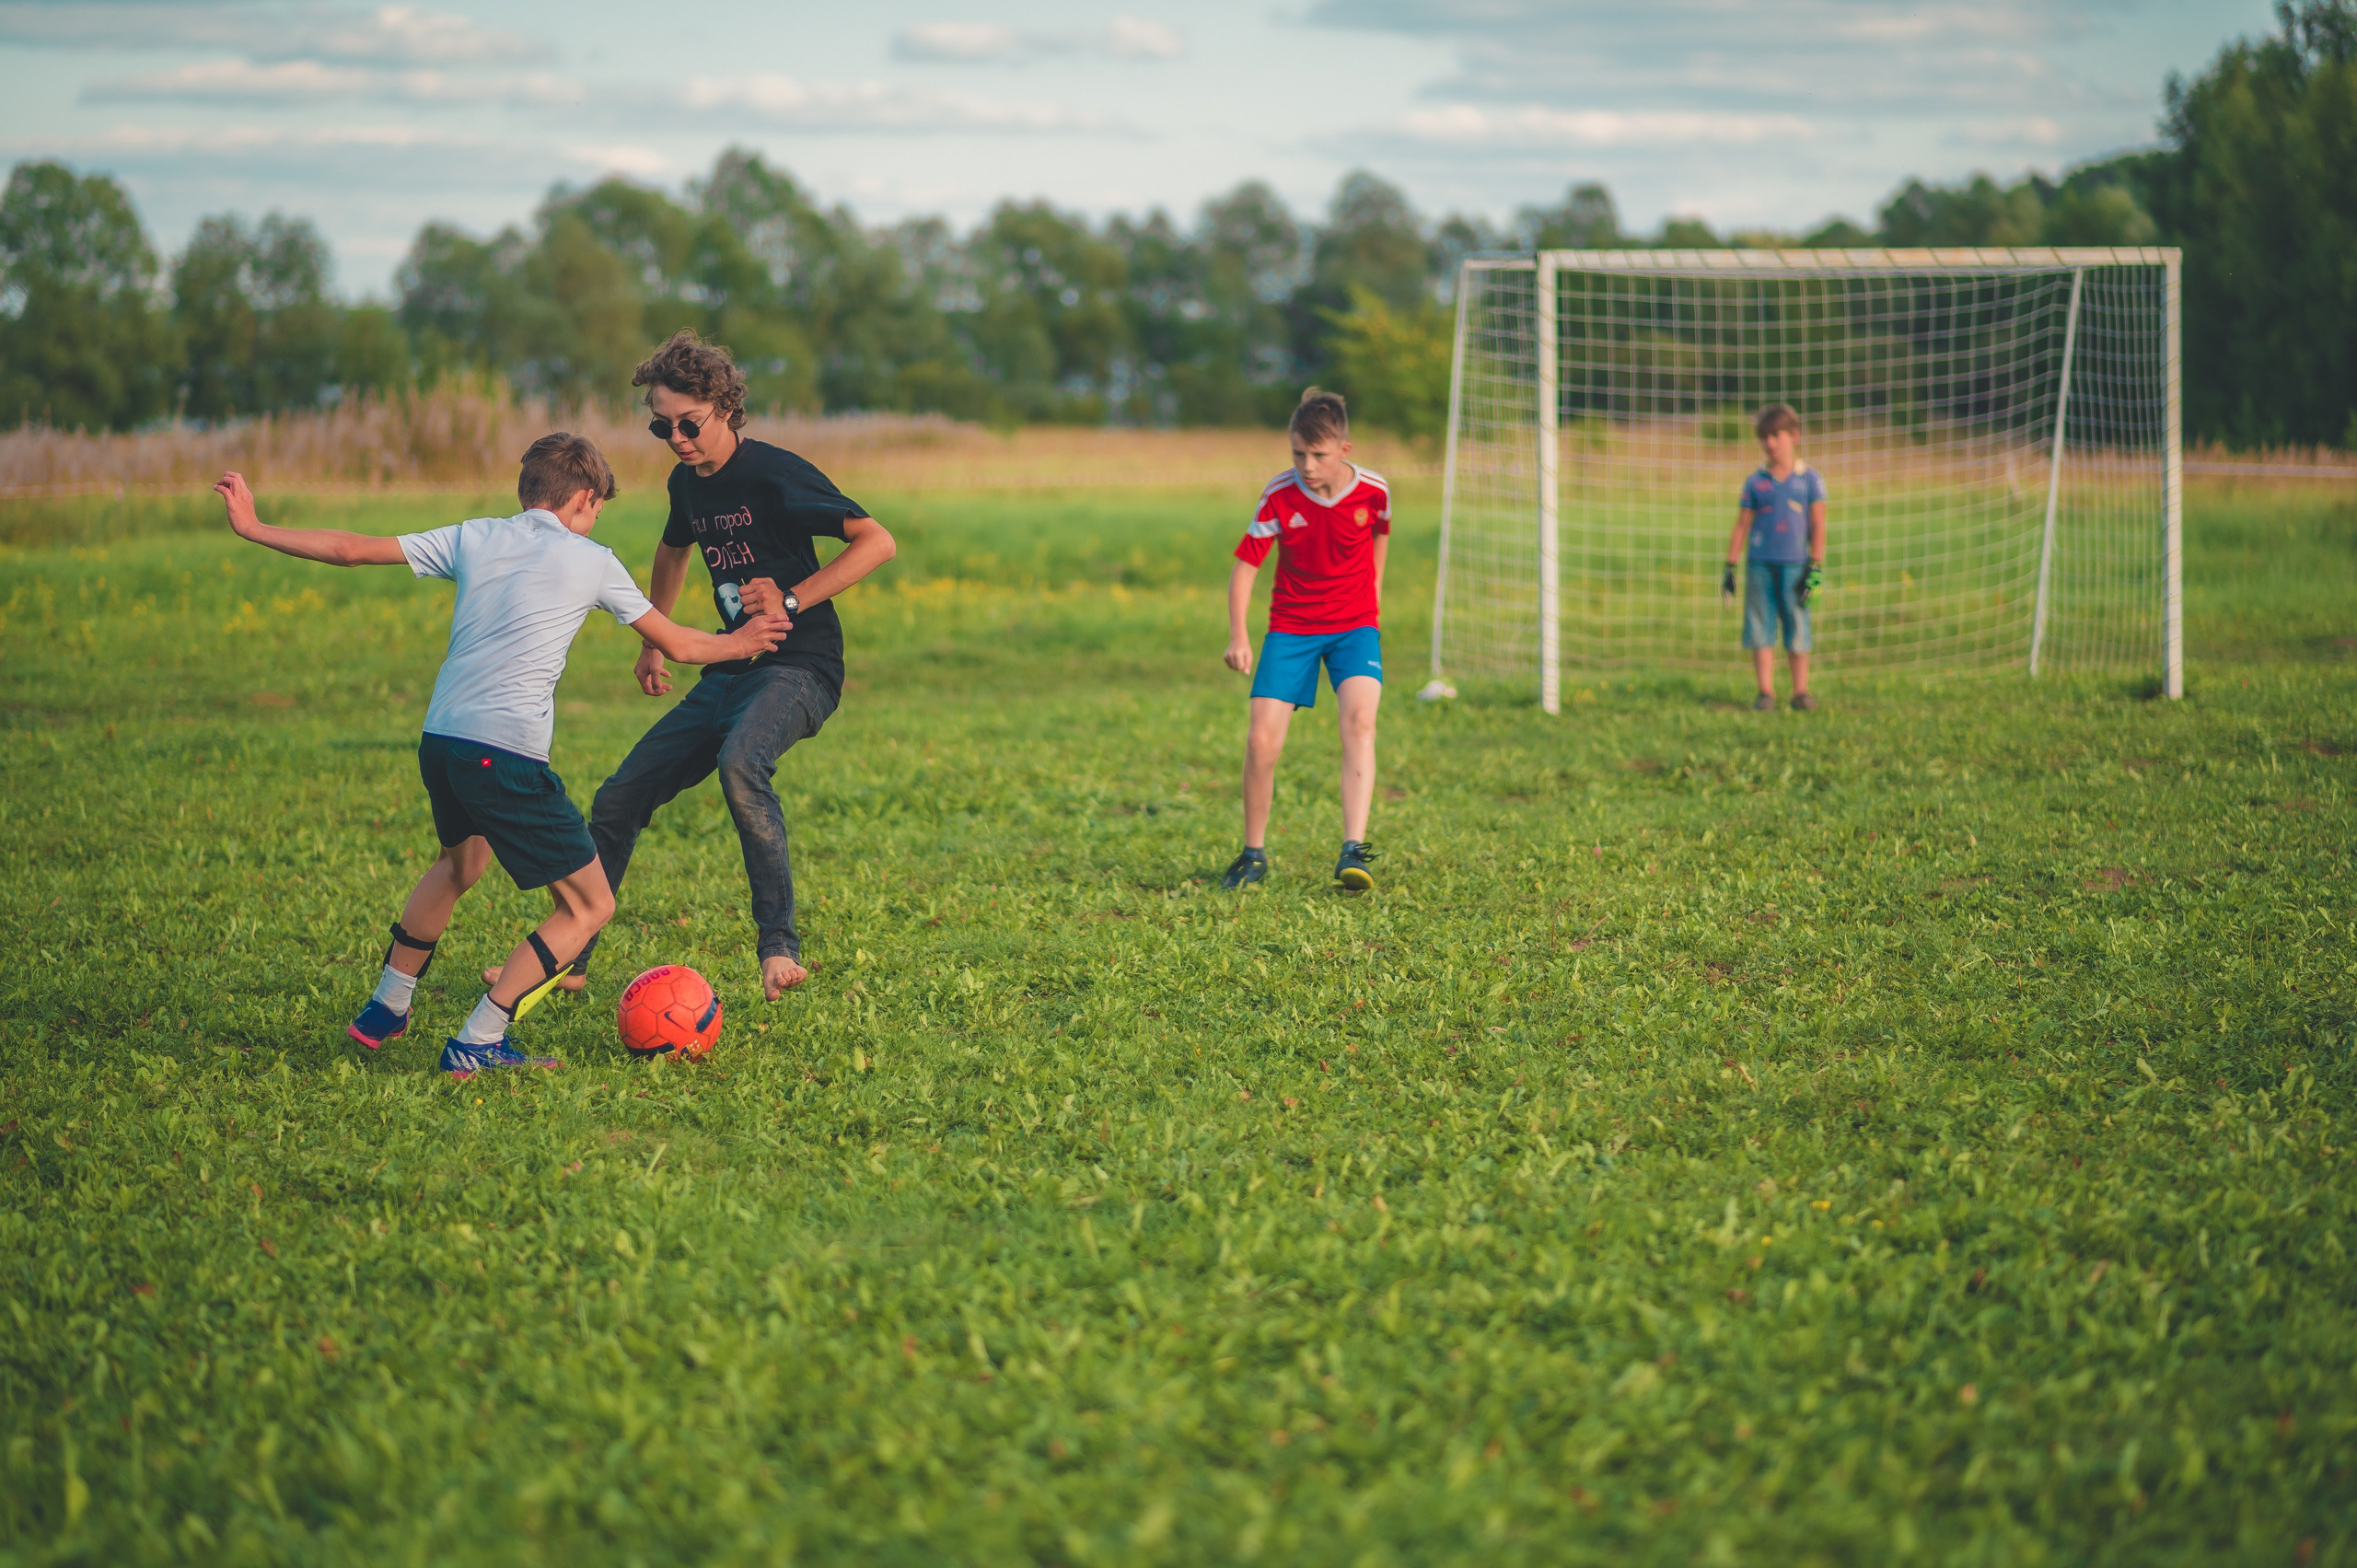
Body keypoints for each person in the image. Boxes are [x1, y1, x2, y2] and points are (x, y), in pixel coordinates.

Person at [214, 435, 789, 1078]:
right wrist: (743, 642)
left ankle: (387, 1003)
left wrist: (255, 526)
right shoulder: (591, 558)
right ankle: (479, 1040)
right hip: (503, 752)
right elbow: (679, 643)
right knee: (589, 906)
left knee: (460, 864)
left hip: (443, 739)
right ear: (583, 498)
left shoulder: (476, 535)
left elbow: (350, 550)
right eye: (596, 509)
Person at [491, 331, 896, 1006]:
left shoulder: (773, 473)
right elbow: (674, 548)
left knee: (742, 763)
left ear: (726, 407)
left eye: (689, 423)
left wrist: (794, 597)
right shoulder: (687, 483)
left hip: (801, 668)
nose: (676, 438)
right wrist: (657, 636)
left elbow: (877, 541)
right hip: (730, 666)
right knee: (620, 797)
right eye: (661, 425)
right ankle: (572, 958)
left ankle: (778, 950)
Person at [1220, 387, 1389, 893]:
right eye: (1298, 453)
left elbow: (1380, 531)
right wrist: (1239, 635)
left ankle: (1353, 850)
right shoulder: (1279, 494)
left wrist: (1373, 592)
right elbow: (1246, 566)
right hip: (1291, 627)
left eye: (1318, 455)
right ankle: (1252, 854)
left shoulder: (1374, 490)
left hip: (1355, 626)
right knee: (1261, 741)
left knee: (1360, 721)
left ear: (1344, 449)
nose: (1307, 465)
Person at [1722, 402, 1828, 712]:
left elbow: (1819, 524)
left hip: (1797, 566)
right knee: (1760, 626)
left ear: (1793, 436)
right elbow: (1742, 523)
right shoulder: (1756, 482)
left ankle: (1800, 691)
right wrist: (1730, 565)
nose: (1769, 443)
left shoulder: (1810, 480)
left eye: (1776, 435)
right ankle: (1765, 692)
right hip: (1759, 565)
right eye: (1764, 437)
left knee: (1798, 624)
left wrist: (1816, 567)